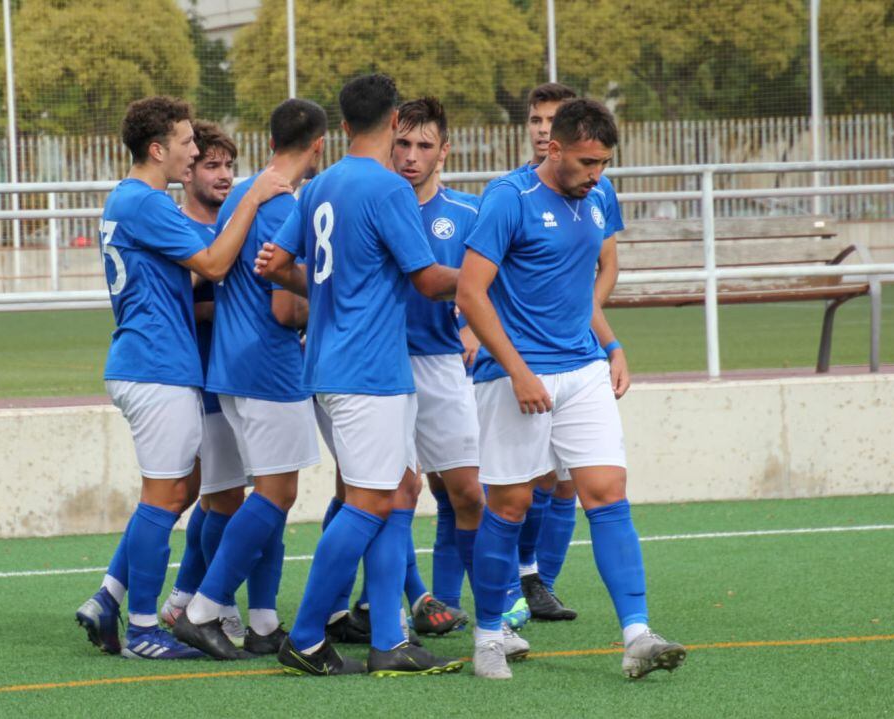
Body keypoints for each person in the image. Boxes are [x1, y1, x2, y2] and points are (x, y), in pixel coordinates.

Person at [456, 98, 685, 680]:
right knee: (508, 505)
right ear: (554, 148)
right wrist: (517, 371)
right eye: (587, 162)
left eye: (604, 163)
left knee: (607, 494)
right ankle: (489, 635)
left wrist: (612, 345)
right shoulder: (508, 198)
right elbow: (471, 294)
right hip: (517, 377)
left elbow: (581, 286)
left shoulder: (599, 196)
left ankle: (637, 634)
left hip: (582, 369)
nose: (596, 174)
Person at [257, 73, 462, 677]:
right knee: (369, 501)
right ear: (396, 120)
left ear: (344, 125)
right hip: (365, 372)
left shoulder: (320, 185)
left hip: (340, 365)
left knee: (399, 491)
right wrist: (490, 273)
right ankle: (305, 637)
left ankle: (389, 641)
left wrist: (337, 291)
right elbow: (429, 280)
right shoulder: (390, 188)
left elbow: (279, 265)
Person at [75, 96, 290, 660]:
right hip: (155, 365)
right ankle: (145, 628)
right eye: (187, 142)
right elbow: (214, 264)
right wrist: (253, 198)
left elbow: (187, 280)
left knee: (177, 491)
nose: (194, 151)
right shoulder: (145, 201)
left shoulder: (129, 199)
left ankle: (111, 599)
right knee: (166, 496)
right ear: (157, 149)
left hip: (150, 363)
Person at [173, 99, 328, 660]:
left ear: (271, 142)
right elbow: (286, 309)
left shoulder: (243, 196)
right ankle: (202, 608)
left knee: (261, 497)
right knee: (275, 494)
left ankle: (262, 621)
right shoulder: (284, 204)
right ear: (318, 146)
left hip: (230, 367)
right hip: (269, 365)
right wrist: (328, 303)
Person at [389, 97, 500, 641]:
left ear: (444, 151)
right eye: (403, 143)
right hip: (380, 367)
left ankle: (491, 616)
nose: (411, 156)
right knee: (395, 496)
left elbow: (496, 282)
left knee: (469, 493)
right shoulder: (376, 205)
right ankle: (398, 605)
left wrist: (474, 328)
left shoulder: (468, 213)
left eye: (423, 145)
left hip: (440, 366)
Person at [157, 121, 250, 650]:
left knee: (213, 497)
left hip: (239, 375)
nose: (223, 175)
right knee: (221, 497)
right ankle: (217, 607)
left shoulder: (233, 224)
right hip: (200, 379)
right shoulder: (177, 229)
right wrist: (225, 310)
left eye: (228, 165)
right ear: (186, 173)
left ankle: (184, 596)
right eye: (211, 165)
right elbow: (169, 306)